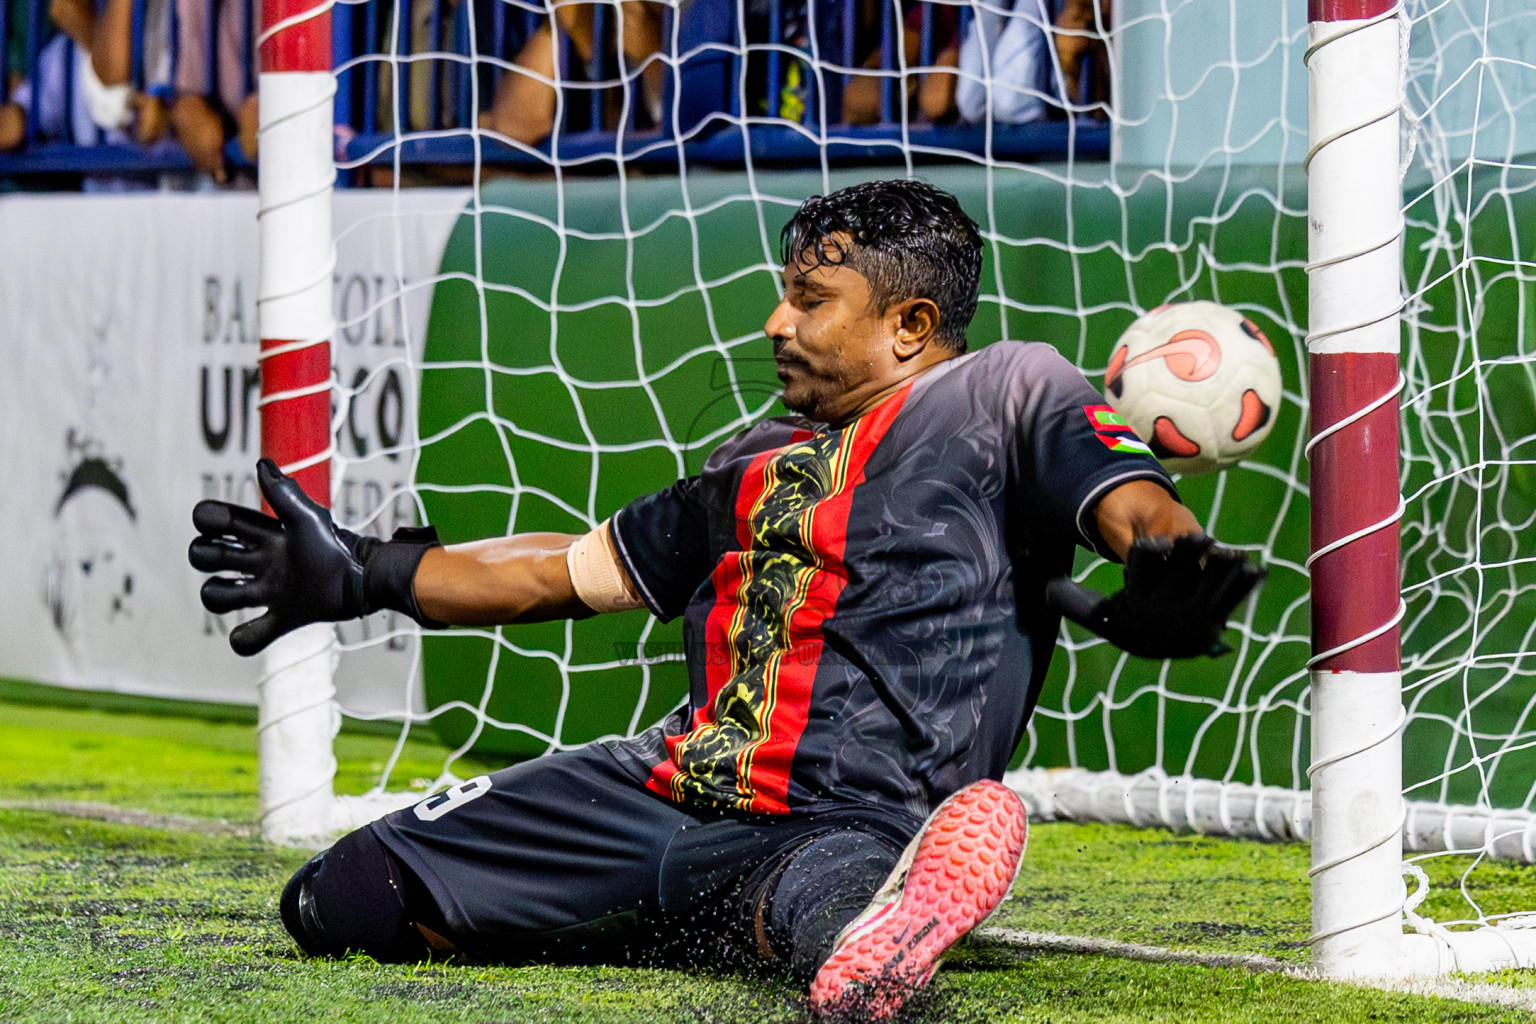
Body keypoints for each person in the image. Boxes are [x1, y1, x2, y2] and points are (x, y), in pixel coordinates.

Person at [188, 179, 1262, 1017]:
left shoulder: (1007, 388)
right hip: (662, 784)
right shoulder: (755, 453)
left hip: (846, 809)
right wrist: (366, 573)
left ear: (909, 322)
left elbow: (1123, 495)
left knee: (830, 932)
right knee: (340, 899)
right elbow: (566, 572)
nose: (773, 322)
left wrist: (1165, 559)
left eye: (808, 299)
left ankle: (882, 908)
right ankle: (701, 912)